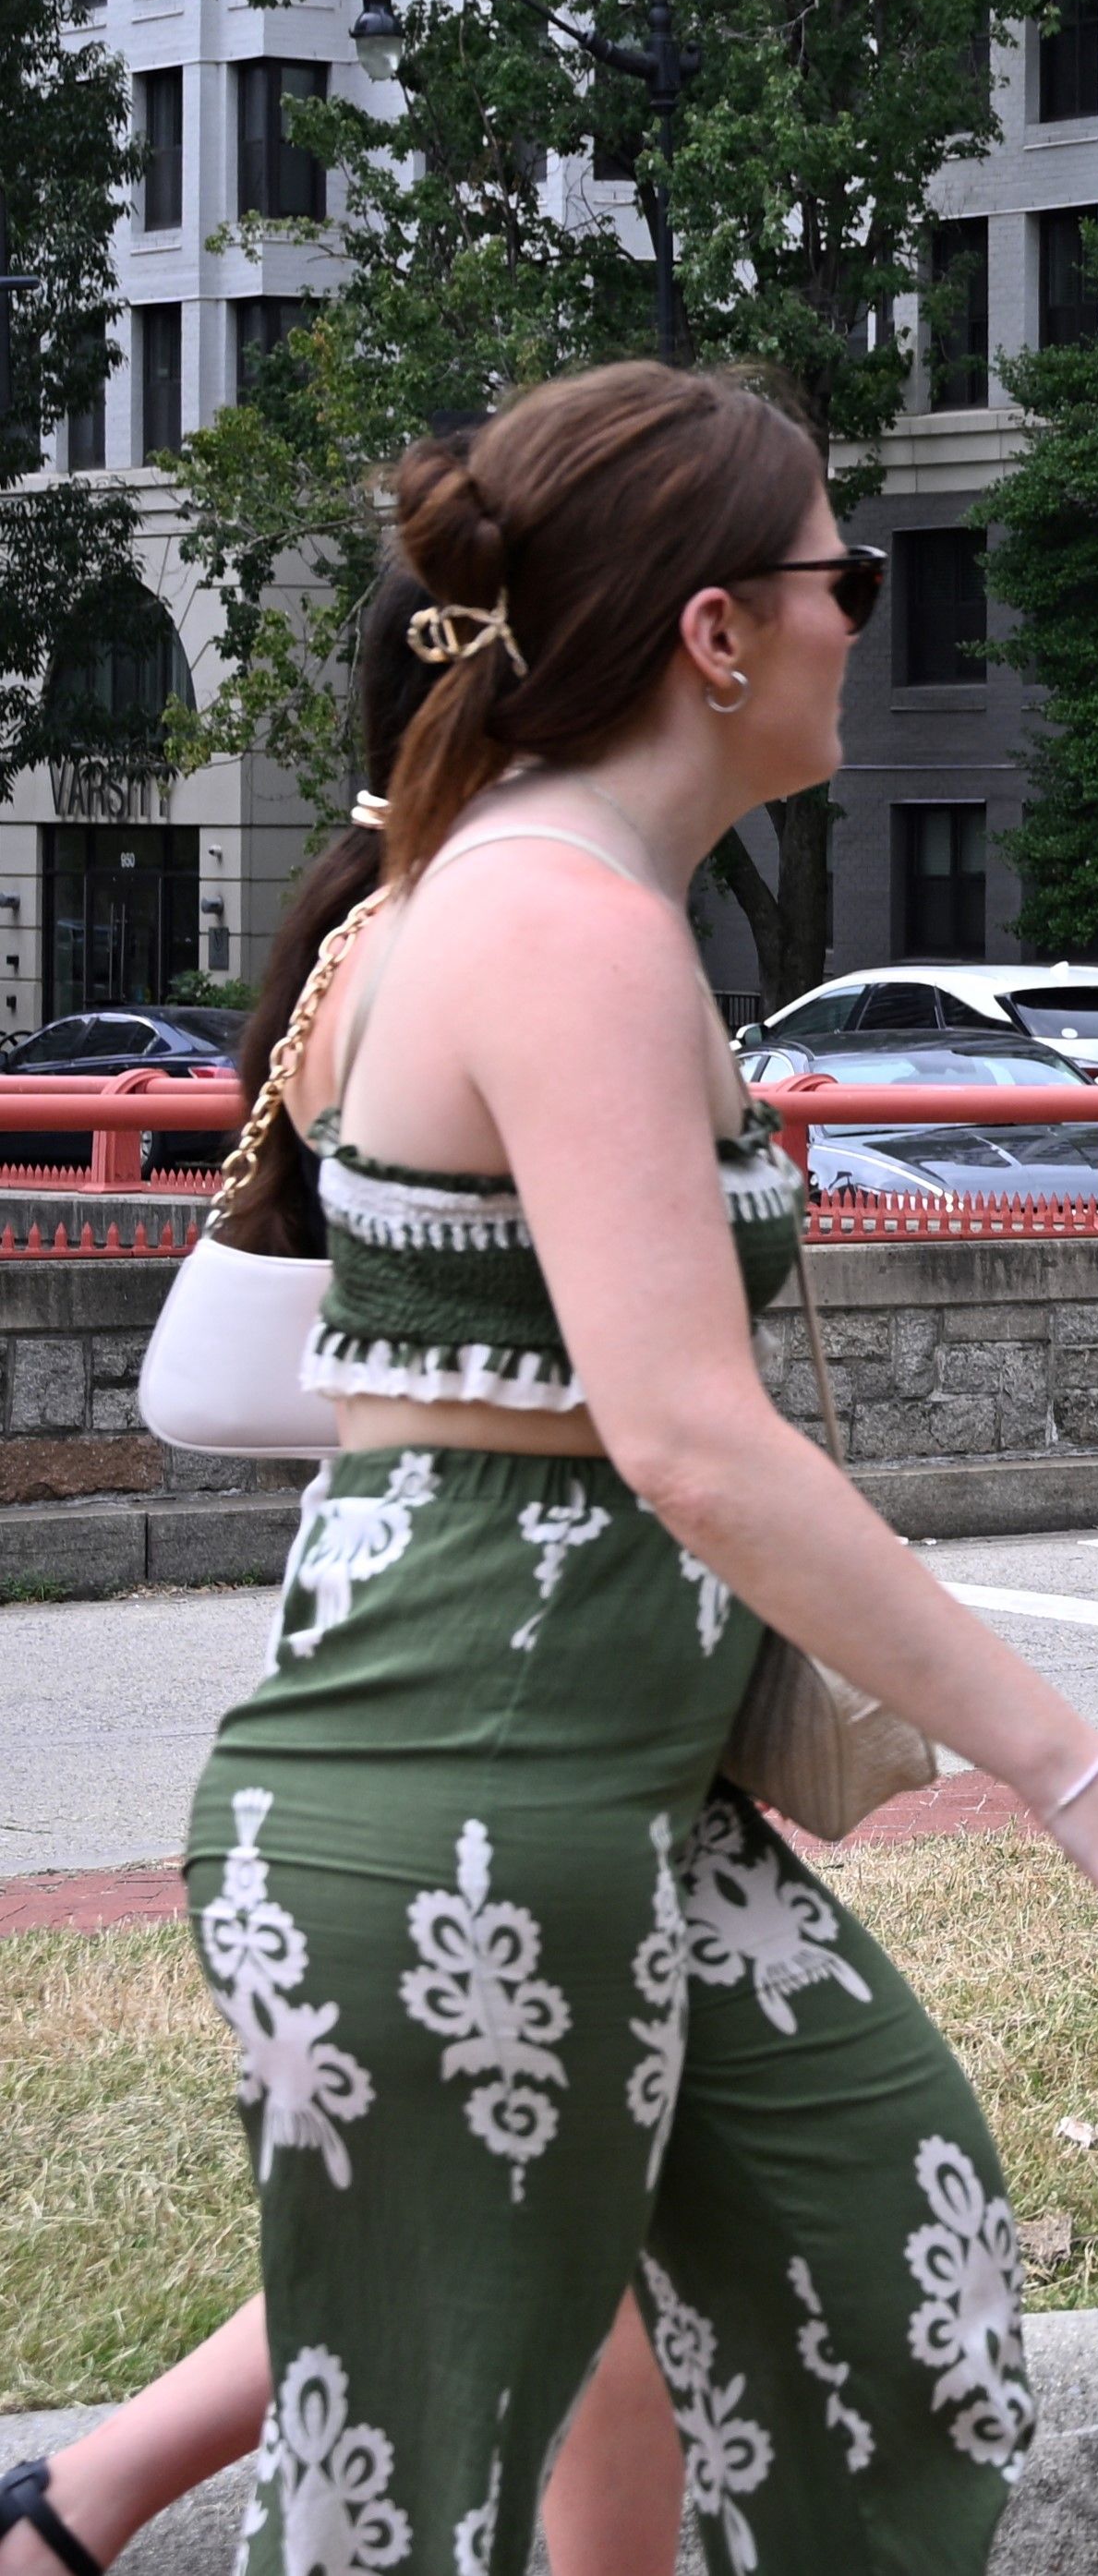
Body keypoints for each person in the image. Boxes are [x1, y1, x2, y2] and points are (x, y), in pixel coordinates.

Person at [172, 361, 1098, 2576]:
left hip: (615, 1806)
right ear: (716, 632)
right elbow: (685, 1435)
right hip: (464, 1805)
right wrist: (1081, 1770)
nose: (868, 608)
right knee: (406, 2496)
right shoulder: (554, 924)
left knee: (894, 2280)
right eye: (844, 572)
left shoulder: (559, 903)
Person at [2, 564, 691, 2576]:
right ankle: (83, 2495)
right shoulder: (466, 942)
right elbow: (277, 1356)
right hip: (490, 1643)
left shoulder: (389, 923)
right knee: (545, 2235)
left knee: (543, 2228)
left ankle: (80, 2502)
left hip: (461, 1621)